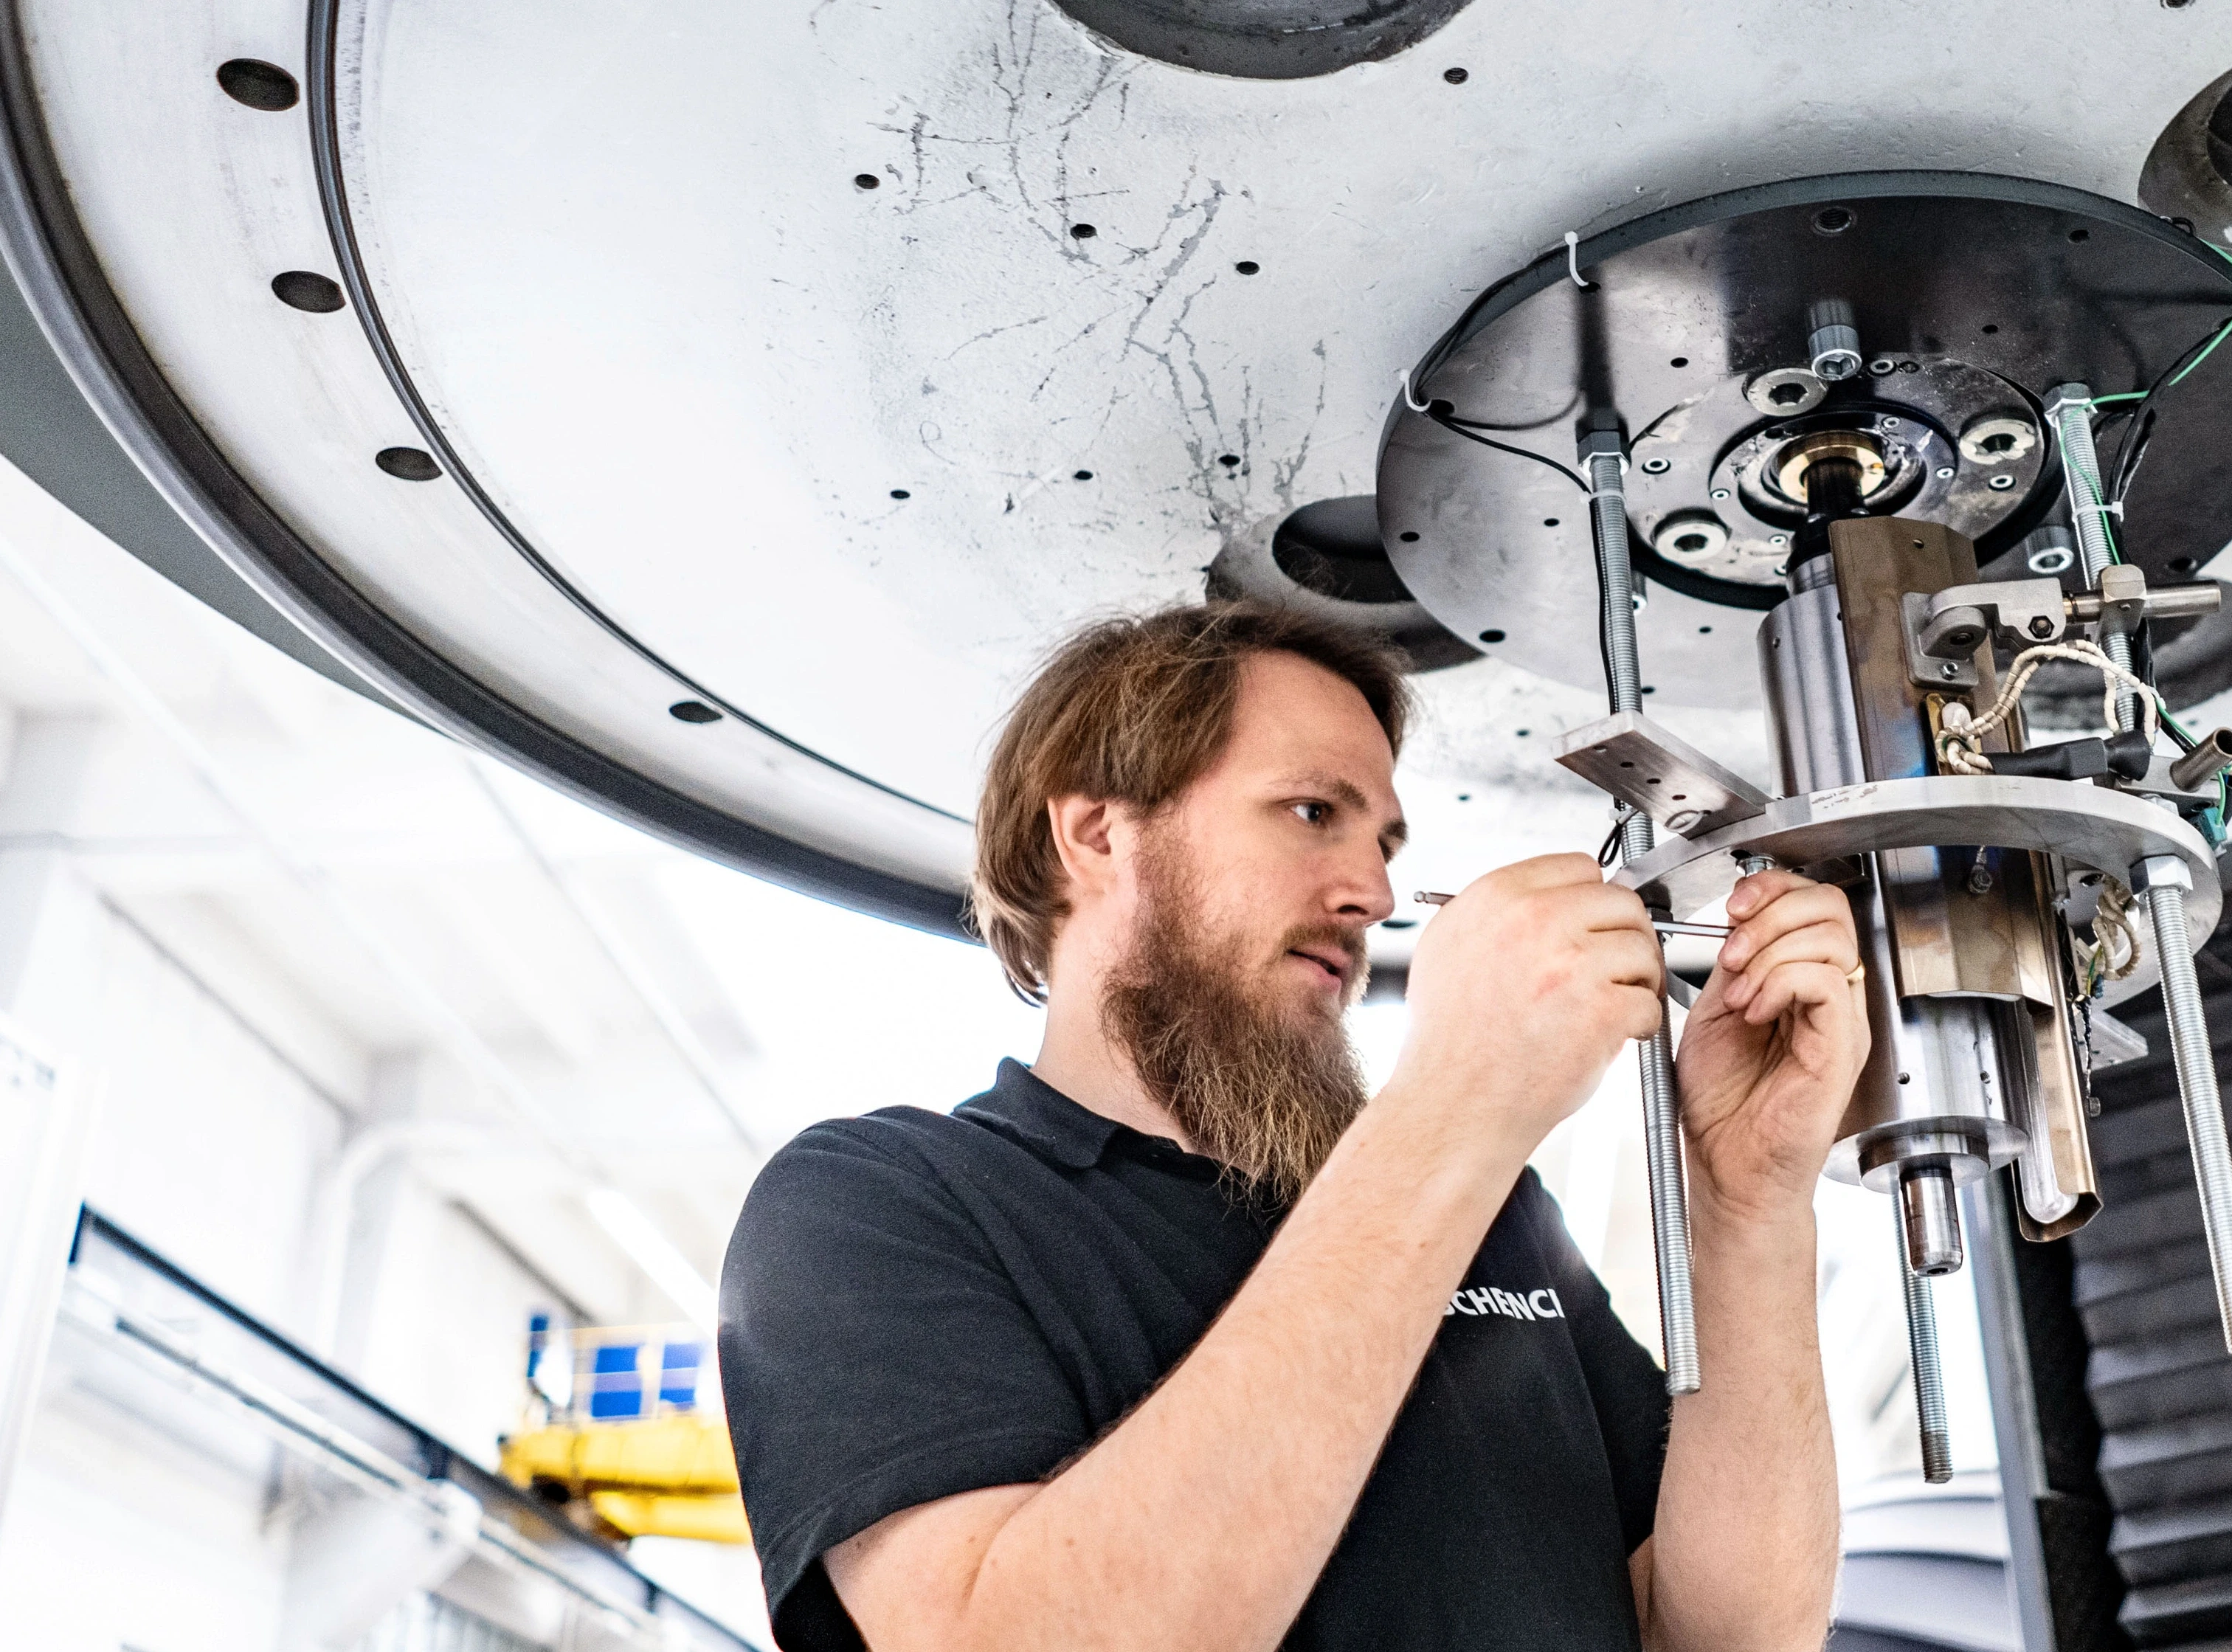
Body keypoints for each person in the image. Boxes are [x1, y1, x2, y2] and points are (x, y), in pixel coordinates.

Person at [717, 601, 1870, 1652]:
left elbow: (1726, 1639)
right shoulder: (881, 1201)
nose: (1371, 894)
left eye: (1383, 844)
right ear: (1095, 833)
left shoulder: (1490, 1213)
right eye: (1312, 811)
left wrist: (1744, 1204)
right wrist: (1454, 1105)